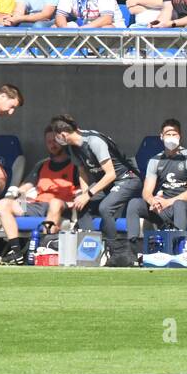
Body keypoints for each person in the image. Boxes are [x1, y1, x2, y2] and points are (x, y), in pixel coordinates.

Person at [48, 114, 143, 266]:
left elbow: (111, 174)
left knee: (105, 208)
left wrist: (89, 194)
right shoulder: (72, 148)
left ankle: (117, 253)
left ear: (63, 135)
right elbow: (82, 173)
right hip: (106, 183)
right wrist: (84, 195)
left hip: (127, 179)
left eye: (56, 136)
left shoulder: (94, 141)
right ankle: (91, 251)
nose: (56, 140)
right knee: (81, 205)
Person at [0, 127, 81, 265]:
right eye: (49, 142)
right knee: (3, 204)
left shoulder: (75, 166)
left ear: (64, 141)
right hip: (37, 205)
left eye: (55, 141)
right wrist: (18, 199)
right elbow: (24, 187)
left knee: (54, 202)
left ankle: (43, 247)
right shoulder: (42, 165)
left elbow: (82, 192)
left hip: (61, 206)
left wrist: (73, 204)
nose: (52, 144)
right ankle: (17, 252)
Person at [125, 119, 187, 246]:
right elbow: (146, 191)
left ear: (180, 136)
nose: (171, 137)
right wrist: (153, 201)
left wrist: (167, 202)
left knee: (179, 204)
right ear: (161, 136)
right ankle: (134, 249)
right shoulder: (155, 160)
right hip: (164, 208)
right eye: (168, 134)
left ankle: (178, 247)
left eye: (174, 134)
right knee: (134, 204)